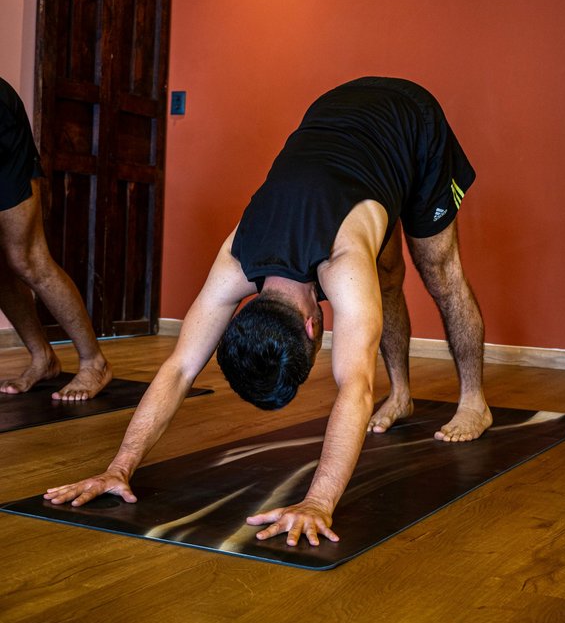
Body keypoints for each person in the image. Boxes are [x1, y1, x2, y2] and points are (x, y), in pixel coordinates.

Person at [45, 77, 491, 543]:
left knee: (439, 273)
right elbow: (179, 369)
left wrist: (318, 501)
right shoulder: (236, 258)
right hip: (336, 117)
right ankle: (401, 395)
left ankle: (475, 403)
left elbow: (354, 388)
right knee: (386, 273)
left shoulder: (341, 264)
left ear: (312, 326)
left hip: (410, 121)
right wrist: (118, 468)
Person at [0, 77, 112, 400]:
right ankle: (43, 358)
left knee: (28, 259)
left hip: (2, 127)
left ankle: (95, 362)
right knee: (2, 265)